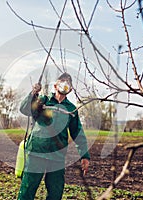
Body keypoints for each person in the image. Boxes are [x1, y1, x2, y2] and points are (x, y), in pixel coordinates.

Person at [17, 72, 90, 200]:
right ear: (56, 85)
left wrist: (84, 155)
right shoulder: (43, 101)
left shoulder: (71, 109)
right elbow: (24, 109)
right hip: (36, 151)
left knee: (56, 191)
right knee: (27, 189)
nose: (65, 84)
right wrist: (32, 94)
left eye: (68, 83)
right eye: (62, 81)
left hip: (57, 155)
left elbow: (77, 132)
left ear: (71, 89)